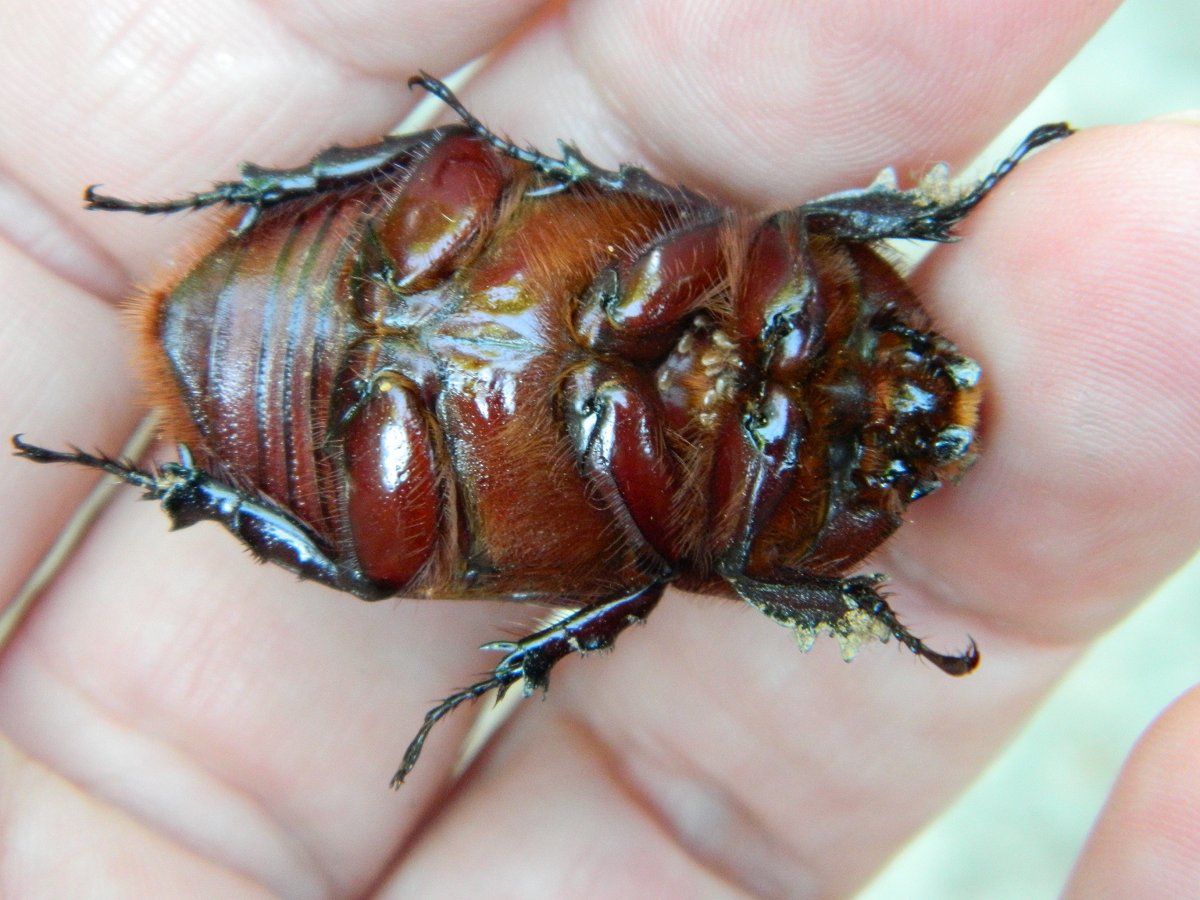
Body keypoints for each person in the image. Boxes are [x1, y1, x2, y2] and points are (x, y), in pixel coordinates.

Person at [0, 1, 1196, 895]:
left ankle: (181, 481)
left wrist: (852, 605)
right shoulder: (781, 284)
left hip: (371, 420)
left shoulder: (766, 508)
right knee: (472, 198)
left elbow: (699, 559)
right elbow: (752, 240)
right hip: (346, 303)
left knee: (396, 536)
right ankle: (181, 453)